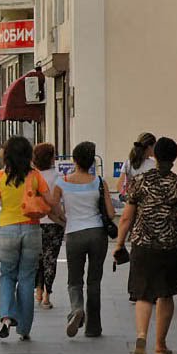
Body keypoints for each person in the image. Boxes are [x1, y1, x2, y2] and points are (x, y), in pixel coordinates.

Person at [114, 137, 177, 354]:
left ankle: (141, 336)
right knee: (165, 294)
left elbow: (126, 217)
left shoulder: (140, 181)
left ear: (155, 155)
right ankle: (160, 345)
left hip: (142, 245)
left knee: (143, 295)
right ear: (174, 158)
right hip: (169, 247)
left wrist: (120, 243)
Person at [0, 136, 56, 341]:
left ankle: (7, 316)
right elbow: (50, 201)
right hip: (32, 230)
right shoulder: (35, 176)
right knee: (26, 278)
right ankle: (24, 328)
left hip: (7, 230)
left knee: (7, 275)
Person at [54, 142, 113, 338]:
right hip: (97, 234)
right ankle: (94, 327)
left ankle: (77, 309)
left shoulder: (62, 182)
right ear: (91, 161)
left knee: (74, 280)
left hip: (74, 234)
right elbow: (111, 213)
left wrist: (63, 221)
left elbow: (51, 208)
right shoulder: (99, 182)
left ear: (74, 160)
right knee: (94, 281)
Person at [33, 143, 65, 310]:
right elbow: (58, 201)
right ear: (51, 157)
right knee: (50, 259)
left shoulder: (32, 176)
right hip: (53, 223)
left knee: (38, 259)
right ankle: (47, 295)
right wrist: (63, 219)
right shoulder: (58, 177)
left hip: (35, 221)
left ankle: (38, 290)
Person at [116, 132, 156, 200]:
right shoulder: (154, 164)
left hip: (131, 202)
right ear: (149, 147)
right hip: (147, 203)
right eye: (155, 146)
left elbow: (119, 186)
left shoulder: (128, 163)